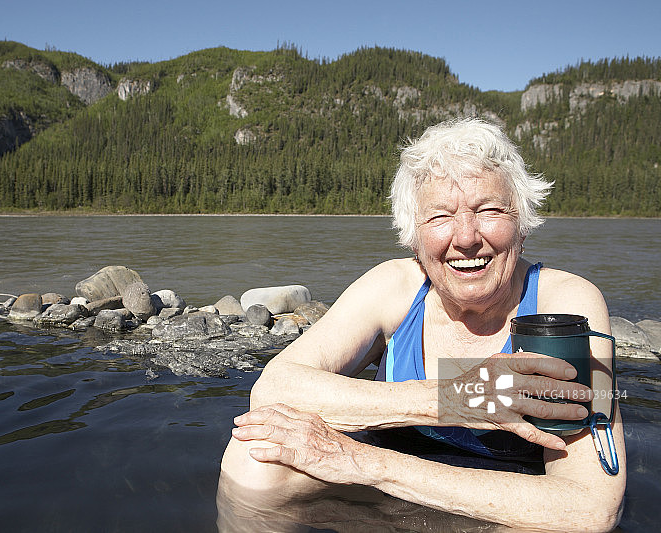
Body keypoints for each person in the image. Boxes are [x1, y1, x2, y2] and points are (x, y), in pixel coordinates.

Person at [220, 118, 626, 532]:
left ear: (522, 221)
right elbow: (272, 389)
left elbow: (590, 509)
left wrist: (363, 462)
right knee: (257, 452)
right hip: (388, 506)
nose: (466, 237)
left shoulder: (565, 304)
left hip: (507, 513)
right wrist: (457, 397)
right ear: (413, 235)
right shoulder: (395, 286)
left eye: (488, 210)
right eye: (440, 217)